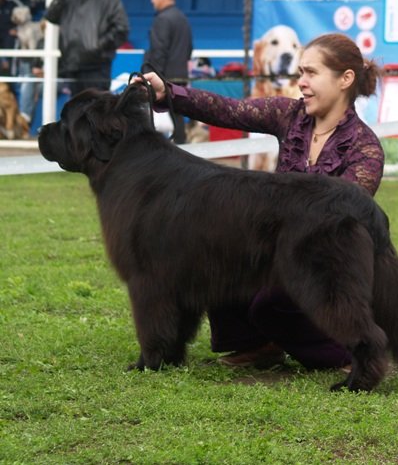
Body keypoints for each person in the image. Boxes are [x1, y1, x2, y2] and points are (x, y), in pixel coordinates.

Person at [140, 32, 385, 372]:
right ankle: (256, 345)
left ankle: (344, 352)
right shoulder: (289, 115)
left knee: (271, 303)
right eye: (300, 73)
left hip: (327, 264)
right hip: (280, 246)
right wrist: (169, 92)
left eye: (311, 74)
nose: (301, 83)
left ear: (345, 79)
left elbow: (342, 212)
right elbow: (229, 110)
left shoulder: (365, 149)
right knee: (218, 254)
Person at [44, 0, 129, 96]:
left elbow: (122, 29)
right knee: (76, 114)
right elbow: (51, 16)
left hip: (97, 69)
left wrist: (97, 47)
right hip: (73, 67)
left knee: (97, 113)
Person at [143, 0, 192, 144]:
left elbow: (159, 50)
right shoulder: (183, 18)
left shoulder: (162, 19)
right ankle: (182, 148)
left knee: (150, 116)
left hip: (164, 78)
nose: (152, 0)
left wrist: (151, 76)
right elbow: (189, 48)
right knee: (177, 118)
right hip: (181, 76)